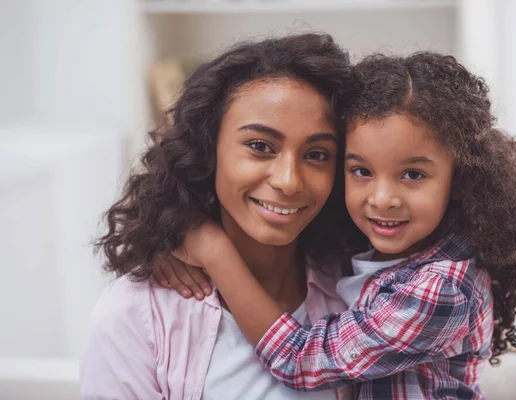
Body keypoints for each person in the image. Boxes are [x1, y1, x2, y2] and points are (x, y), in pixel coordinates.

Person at [161, 52, 516, 399]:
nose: (382, 198)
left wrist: (212, 249)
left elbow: (299, 358)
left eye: (412, 175)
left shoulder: (443, 288)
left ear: (459, 179)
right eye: (361, 171)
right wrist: (162, 243)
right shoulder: (368, 254)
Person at [80, 33, 358, 400]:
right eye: (260, 147)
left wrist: (214, 250)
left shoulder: (358, 289)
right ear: (208, 150)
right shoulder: (133, 316)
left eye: (318, 154)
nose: (289, 181)